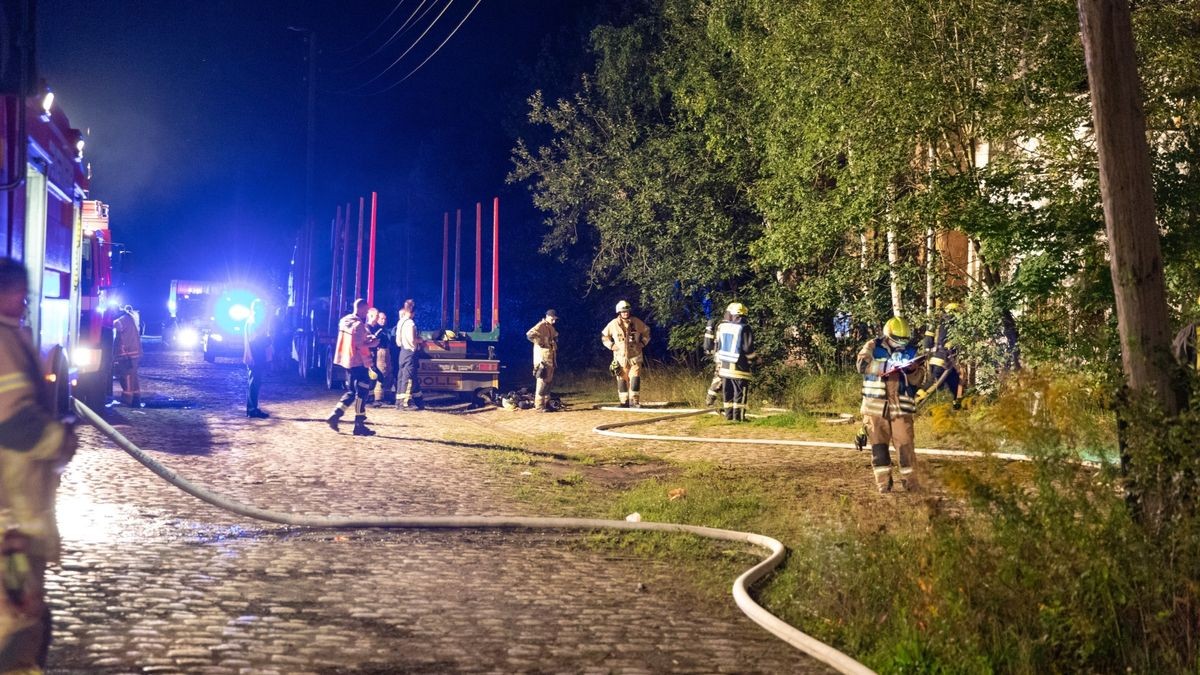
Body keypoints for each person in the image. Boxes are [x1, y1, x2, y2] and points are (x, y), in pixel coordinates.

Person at [0, 257, 77, 673]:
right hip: (10, 523)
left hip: (12, 521)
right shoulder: (3, 343)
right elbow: (11, 423)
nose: (26, 301)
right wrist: (59, 440)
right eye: (21, 293)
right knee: (19, 624)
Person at [856, 316, 926, 493]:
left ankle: (911, 484)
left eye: (904, 340)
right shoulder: (873, 346)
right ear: (888, 335)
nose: (901, 344)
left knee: (905, 446)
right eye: (897, 339)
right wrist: (885, 366)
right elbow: (861, 365)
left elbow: (919, 379)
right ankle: (883, 485)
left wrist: (913, 371)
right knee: (879, 449)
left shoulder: (912, 351)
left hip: (901, 407)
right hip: (875, 407)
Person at [326, 298, 378, 436]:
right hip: (359, 362)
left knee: (351, 391)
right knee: (362, 392)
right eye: (366, 310)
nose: (366, 313)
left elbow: (353, 340)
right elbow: (361, 345)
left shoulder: (344, 321)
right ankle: (359, 425)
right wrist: (373, 343)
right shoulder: (359, 325)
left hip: (347, 361)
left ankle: (335, 415)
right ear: (360, 309)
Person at [601, 300, 651, 407]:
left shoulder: (636, 322)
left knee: (635, 378)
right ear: (619, 312)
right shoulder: (613, 324)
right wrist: (611, 345)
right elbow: (604, 336)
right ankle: (624, 402)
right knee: (622, 380)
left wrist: (642, 343)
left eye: (627, 311)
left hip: (635, 356)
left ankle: (635, 401)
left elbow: (647, 331)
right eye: (623, 311)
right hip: (620, 357)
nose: (626, 313)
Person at [917, 302, 963, 409]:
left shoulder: (937, 323)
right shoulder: (952, 323)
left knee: (954, 383)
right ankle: (916, 399)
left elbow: (927, 342)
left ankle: (958, 407)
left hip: (935, 358)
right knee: (933, 383)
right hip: (944, 359)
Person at [715, 302, 755, 421]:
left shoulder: (722, 327)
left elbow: (718, 346)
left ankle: (729, 416)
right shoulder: (744, 328)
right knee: (740, 393)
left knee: (727, 392)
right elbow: (748, 349)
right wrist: (755, 360)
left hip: (725, 367)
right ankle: (739, 418)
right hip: (740, 367)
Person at [242, 298, 272, 419]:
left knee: (255, 382)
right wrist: (266, 340)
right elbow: (254, 340)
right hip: (255, 355)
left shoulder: (253, 321)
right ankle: (252, 409)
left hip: (256, 355)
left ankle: (253, 408)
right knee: (254, 382)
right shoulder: (253, 322)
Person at [526, 309, 559, 411]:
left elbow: (555, 336)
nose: (554, 321)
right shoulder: (541, 325)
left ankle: (546, 403)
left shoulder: (550, 328)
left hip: (550, 359)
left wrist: (553, 341)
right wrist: (541, 342)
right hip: (542, 360)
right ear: (548, 316)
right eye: (552, 319)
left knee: (548, 382)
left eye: (555, 319)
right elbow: (529, 334)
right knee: (542, 382)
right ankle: (539, 405)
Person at [394, 299, 424, 411]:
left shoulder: (400, 322)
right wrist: (420, 340)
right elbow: (413, 339)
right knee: (408, 378)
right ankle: (404, 403)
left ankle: (399, 401)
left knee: (401, 376)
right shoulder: (410, 323)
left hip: (402, 351)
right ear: (412, 312)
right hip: (410, 352)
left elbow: (397, 341)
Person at [113, 303, 142, 406]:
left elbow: (118, 326)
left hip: (127, 352)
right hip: (133, 351)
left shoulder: (123, 319)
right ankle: (136, 398)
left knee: (127, 375)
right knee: (133, 375)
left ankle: (127, 399)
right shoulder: (130, 318)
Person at [368, 309, 392, 406]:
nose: (383, 320)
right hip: (378, 354)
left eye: (384, 319)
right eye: (381, 318)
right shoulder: (376, 329)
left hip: (384, 353)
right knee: (378, 375)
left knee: (384, 375)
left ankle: (379, 397)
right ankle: (376, 398)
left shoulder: (384, 330)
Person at [702, 318, 722, 407]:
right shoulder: (724, 327)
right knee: (719, 378)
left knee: (719, 378)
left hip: (719, 356)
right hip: (723, 358)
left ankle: (710, 400)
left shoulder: (719, 326)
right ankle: (709, 400)